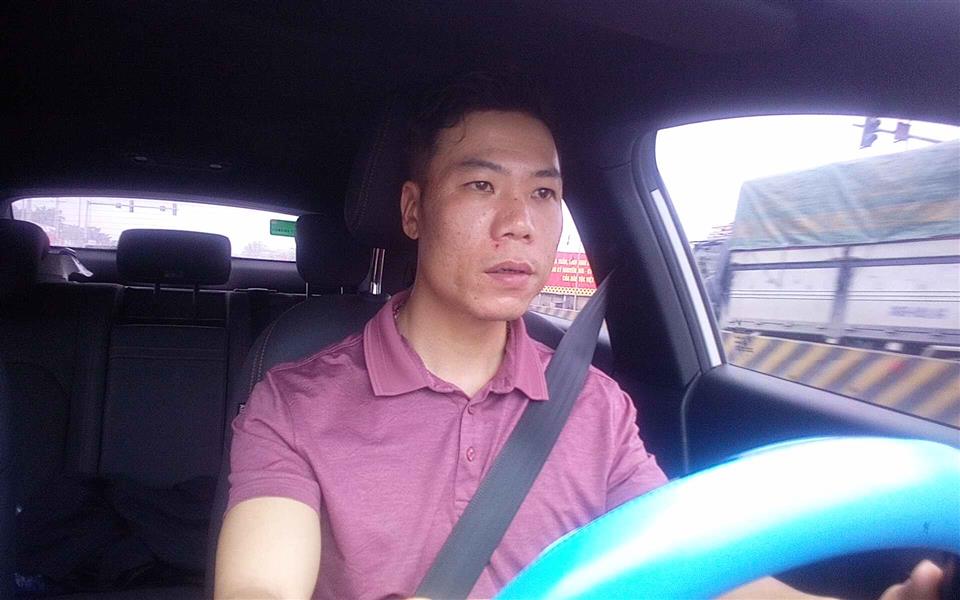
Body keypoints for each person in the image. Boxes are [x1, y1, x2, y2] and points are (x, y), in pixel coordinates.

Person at [214, 74, 945, 600]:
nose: (519, 223)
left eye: (543, 192)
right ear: (413, 210)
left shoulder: (595, 407)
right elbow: (258, 585)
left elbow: (688, 557)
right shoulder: (295, 402)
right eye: (480, 185)